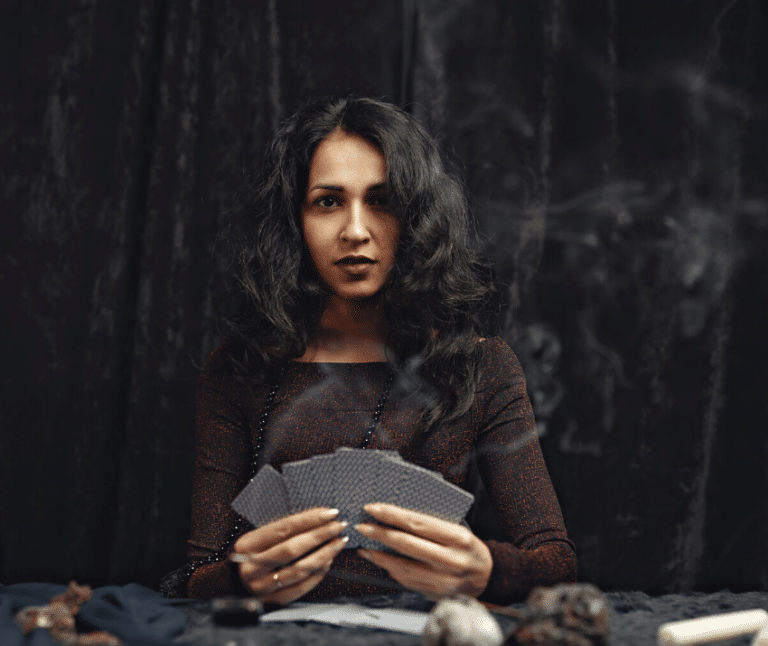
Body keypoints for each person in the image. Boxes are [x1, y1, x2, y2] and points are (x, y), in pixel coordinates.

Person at [167, 96, 576, 605]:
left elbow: (555, 562)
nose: (355, 231)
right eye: (328, 201)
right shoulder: (239, 369)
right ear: (294, 221)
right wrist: (239, 578)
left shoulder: (480, 367)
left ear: (417, 218)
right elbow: (193, 575)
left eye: (381, 200)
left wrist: (489, 571)